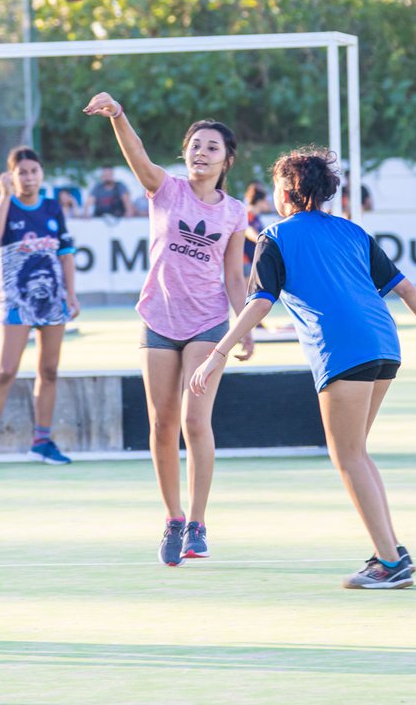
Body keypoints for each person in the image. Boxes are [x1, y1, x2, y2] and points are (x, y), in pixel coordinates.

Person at [190, 146, 416, 590]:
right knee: (357, 453)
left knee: (346, 455)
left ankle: (389, 563)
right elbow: (404, 287)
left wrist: (218, 353)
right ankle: (391, 550)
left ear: (287, 192)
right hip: (384, 343)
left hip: (343, 348)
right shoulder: (353, 232)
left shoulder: (276, 235)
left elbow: (259, 302)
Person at [84, 93, 252, 566]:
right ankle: (173, 519)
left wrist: (242, 330)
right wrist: (119, 113)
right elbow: (136, 155)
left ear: (227, 159)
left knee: (194, 421)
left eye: (211, 147)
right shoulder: (166, 189)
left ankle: (198, 523)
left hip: (208, 323)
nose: (201, 152)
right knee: (161, 424)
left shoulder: (235, 212)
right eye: (194, 145)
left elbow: (235, 277)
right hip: (158, 319)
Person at [0, 146, 80, 468]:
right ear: (11, 175)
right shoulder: (0, 204)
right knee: (5, 370)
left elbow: (65, 254)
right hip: (15, 301)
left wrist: (71, 294)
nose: (28, 177)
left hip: (52, 299)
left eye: (33, 171)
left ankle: (42, 441)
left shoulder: (52, 207)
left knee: (49, 370)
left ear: (41, 174)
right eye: (21, 172)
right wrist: (4, 195)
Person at [242, 183, 273, 277]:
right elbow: (248, 231)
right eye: (266, 201)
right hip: (244, 261)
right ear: (259, 202)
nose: (268, 204)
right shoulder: (247, 214)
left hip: (251, 261)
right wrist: (264, 242)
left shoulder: (256, 217)